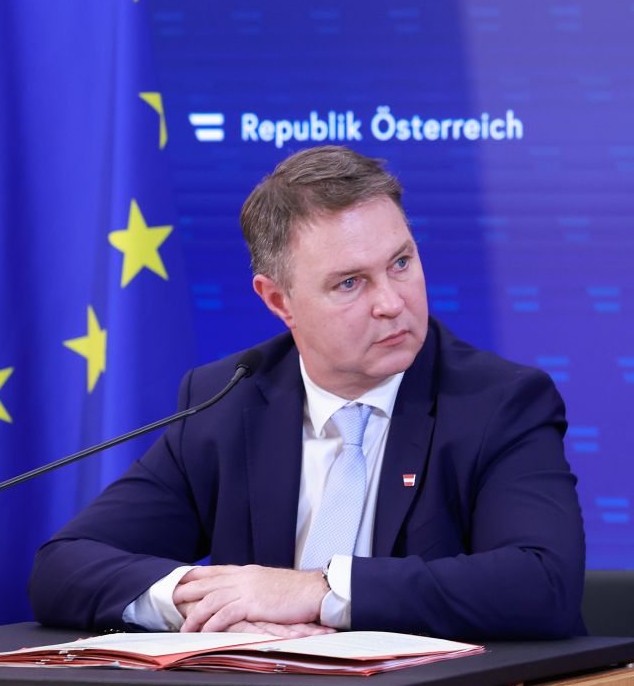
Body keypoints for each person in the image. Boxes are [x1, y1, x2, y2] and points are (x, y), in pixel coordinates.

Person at [30, 146, 585, 640]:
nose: (391, 302)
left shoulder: (499, 402)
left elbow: (543, 583)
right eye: (350, 283)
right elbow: (64, 567)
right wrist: (199, 599)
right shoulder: (227, 404)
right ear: (279, 301)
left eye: (400, 263)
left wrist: (317, 591)